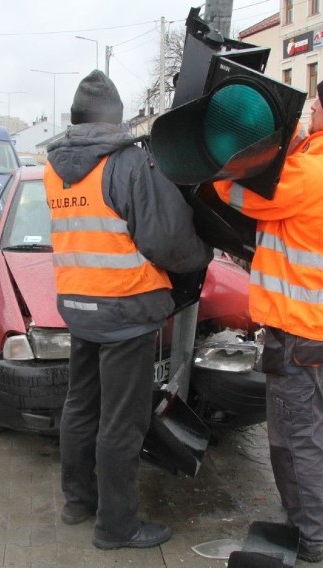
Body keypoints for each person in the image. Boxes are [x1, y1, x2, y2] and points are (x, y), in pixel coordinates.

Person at [212, 66, 323, 563]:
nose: (310, 106)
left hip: (298, 330)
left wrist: (234, 152)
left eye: (317, 101)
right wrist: (299, 143)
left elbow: (236, 194)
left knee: (294, 439)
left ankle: (308, 536)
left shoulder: (312, 175)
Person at [43, 70, 212, 550]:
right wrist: (201, 256)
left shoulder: (55, 166)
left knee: (80, 408)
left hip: (78, 307)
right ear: (116, 121)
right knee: (122, 423)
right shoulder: (128, 164)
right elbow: (167, 238)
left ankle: (78, 502)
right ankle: (116, 527)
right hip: (125, 311)